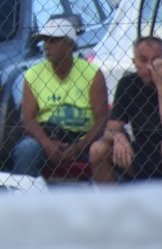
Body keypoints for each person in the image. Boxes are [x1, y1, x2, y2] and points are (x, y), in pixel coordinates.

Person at [89, 35, 162, 182]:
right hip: (143, 155)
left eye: (156, 60)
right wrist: (118, 137)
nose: (149, 67)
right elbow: (111, 127)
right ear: (134, 62)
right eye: (143, 60)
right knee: (98, 149)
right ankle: (113, 204)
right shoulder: (128, 84)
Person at [13, 15, 109, 178]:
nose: (46, 46)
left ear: (70, 44)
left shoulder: (92, 73)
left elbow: (102, 120)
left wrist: (79, 147)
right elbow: (27, 119)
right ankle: (24, 201)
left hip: (84, 139)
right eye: (44, 41)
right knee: (26, 149)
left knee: (101, 150)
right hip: (48, 137)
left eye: (53, 41)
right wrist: (47, 144)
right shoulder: (33, 75)